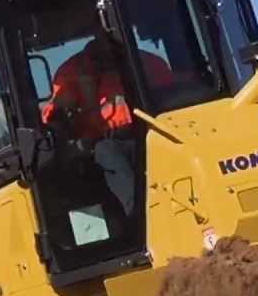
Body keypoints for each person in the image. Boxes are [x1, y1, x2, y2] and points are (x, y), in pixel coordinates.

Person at [41, 29, 172, 218]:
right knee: (108, 153)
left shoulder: (148, 63)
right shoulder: (72, 71)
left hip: (151, 133)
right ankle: (142, 217)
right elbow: (56, 113)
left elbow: (173, 97)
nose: (108, 36)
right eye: (100, 27)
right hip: (103, 143)